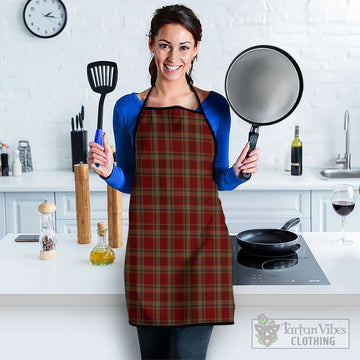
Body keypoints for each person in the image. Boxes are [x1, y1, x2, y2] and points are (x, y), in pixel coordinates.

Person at [88, 4, 260, 359]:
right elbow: (134, 181)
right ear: (151, 45)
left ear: (196, 49)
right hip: (151, 250)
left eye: (184, 46)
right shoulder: (127, 108)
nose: (173, 56)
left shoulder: (215, 106)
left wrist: (239, 173)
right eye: (165, 45)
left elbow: (219, 179)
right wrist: (108, 171)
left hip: (203, 248)